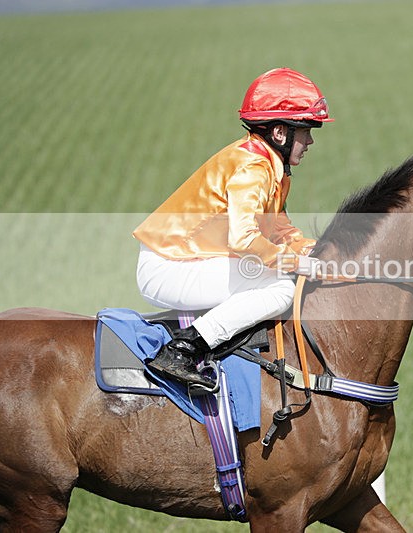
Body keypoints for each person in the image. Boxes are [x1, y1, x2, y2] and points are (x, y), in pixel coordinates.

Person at [133, 67, 331, 388]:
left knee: (281, 275)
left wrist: (322, 253)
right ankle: (183, 350)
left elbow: (280, 230)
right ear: (280, 132)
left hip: (183, 260)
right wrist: (297, 262)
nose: (310, 140)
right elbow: (245, 239)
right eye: (306, 130)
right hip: (167, 267)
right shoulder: (253, 167)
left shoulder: (271, 166)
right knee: (281, 288)